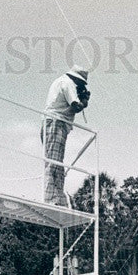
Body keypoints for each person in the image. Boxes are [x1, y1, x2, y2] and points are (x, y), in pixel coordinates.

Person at [41, 67, 90, 206]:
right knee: (54, 163)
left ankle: (56, 197)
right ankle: (52, 199)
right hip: (56, 123)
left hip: (53, 122)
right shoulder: (68, 83)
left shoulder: (61, 81)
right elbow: (76, 106)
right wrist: (84, 101)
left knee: (55, 162)